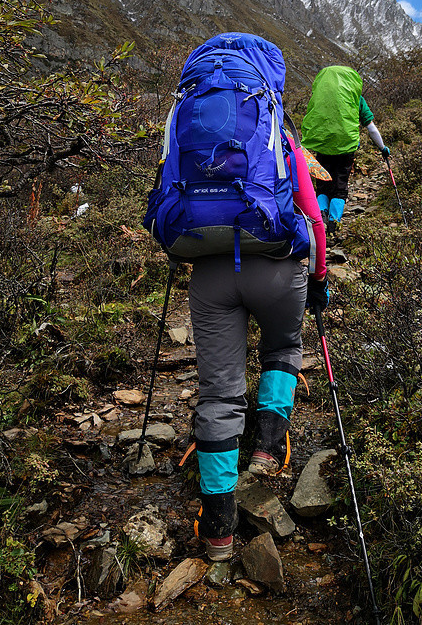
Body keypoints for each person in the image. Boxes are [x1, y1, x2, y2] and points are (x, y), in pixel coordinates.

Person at [171, 36, 329, 563]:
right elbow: (313, 216)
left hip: (210, 275)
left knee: (219, 393)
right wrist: (320, 277)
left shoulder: (184, 122)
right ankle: (265, 448)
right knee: (284, 344)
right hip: (276, 268)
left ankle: (217, 527)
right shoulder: (279, 134)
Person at [301, 65, 390, 235]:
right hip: (346, 149)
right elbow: (371, 128)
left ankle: (320, 217)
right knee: (340, 185)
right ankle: (334, 224)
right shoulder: (356, 98)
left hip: (323, 147)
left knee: (323, 183)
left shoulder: (320, 100)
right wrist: (382, 147)